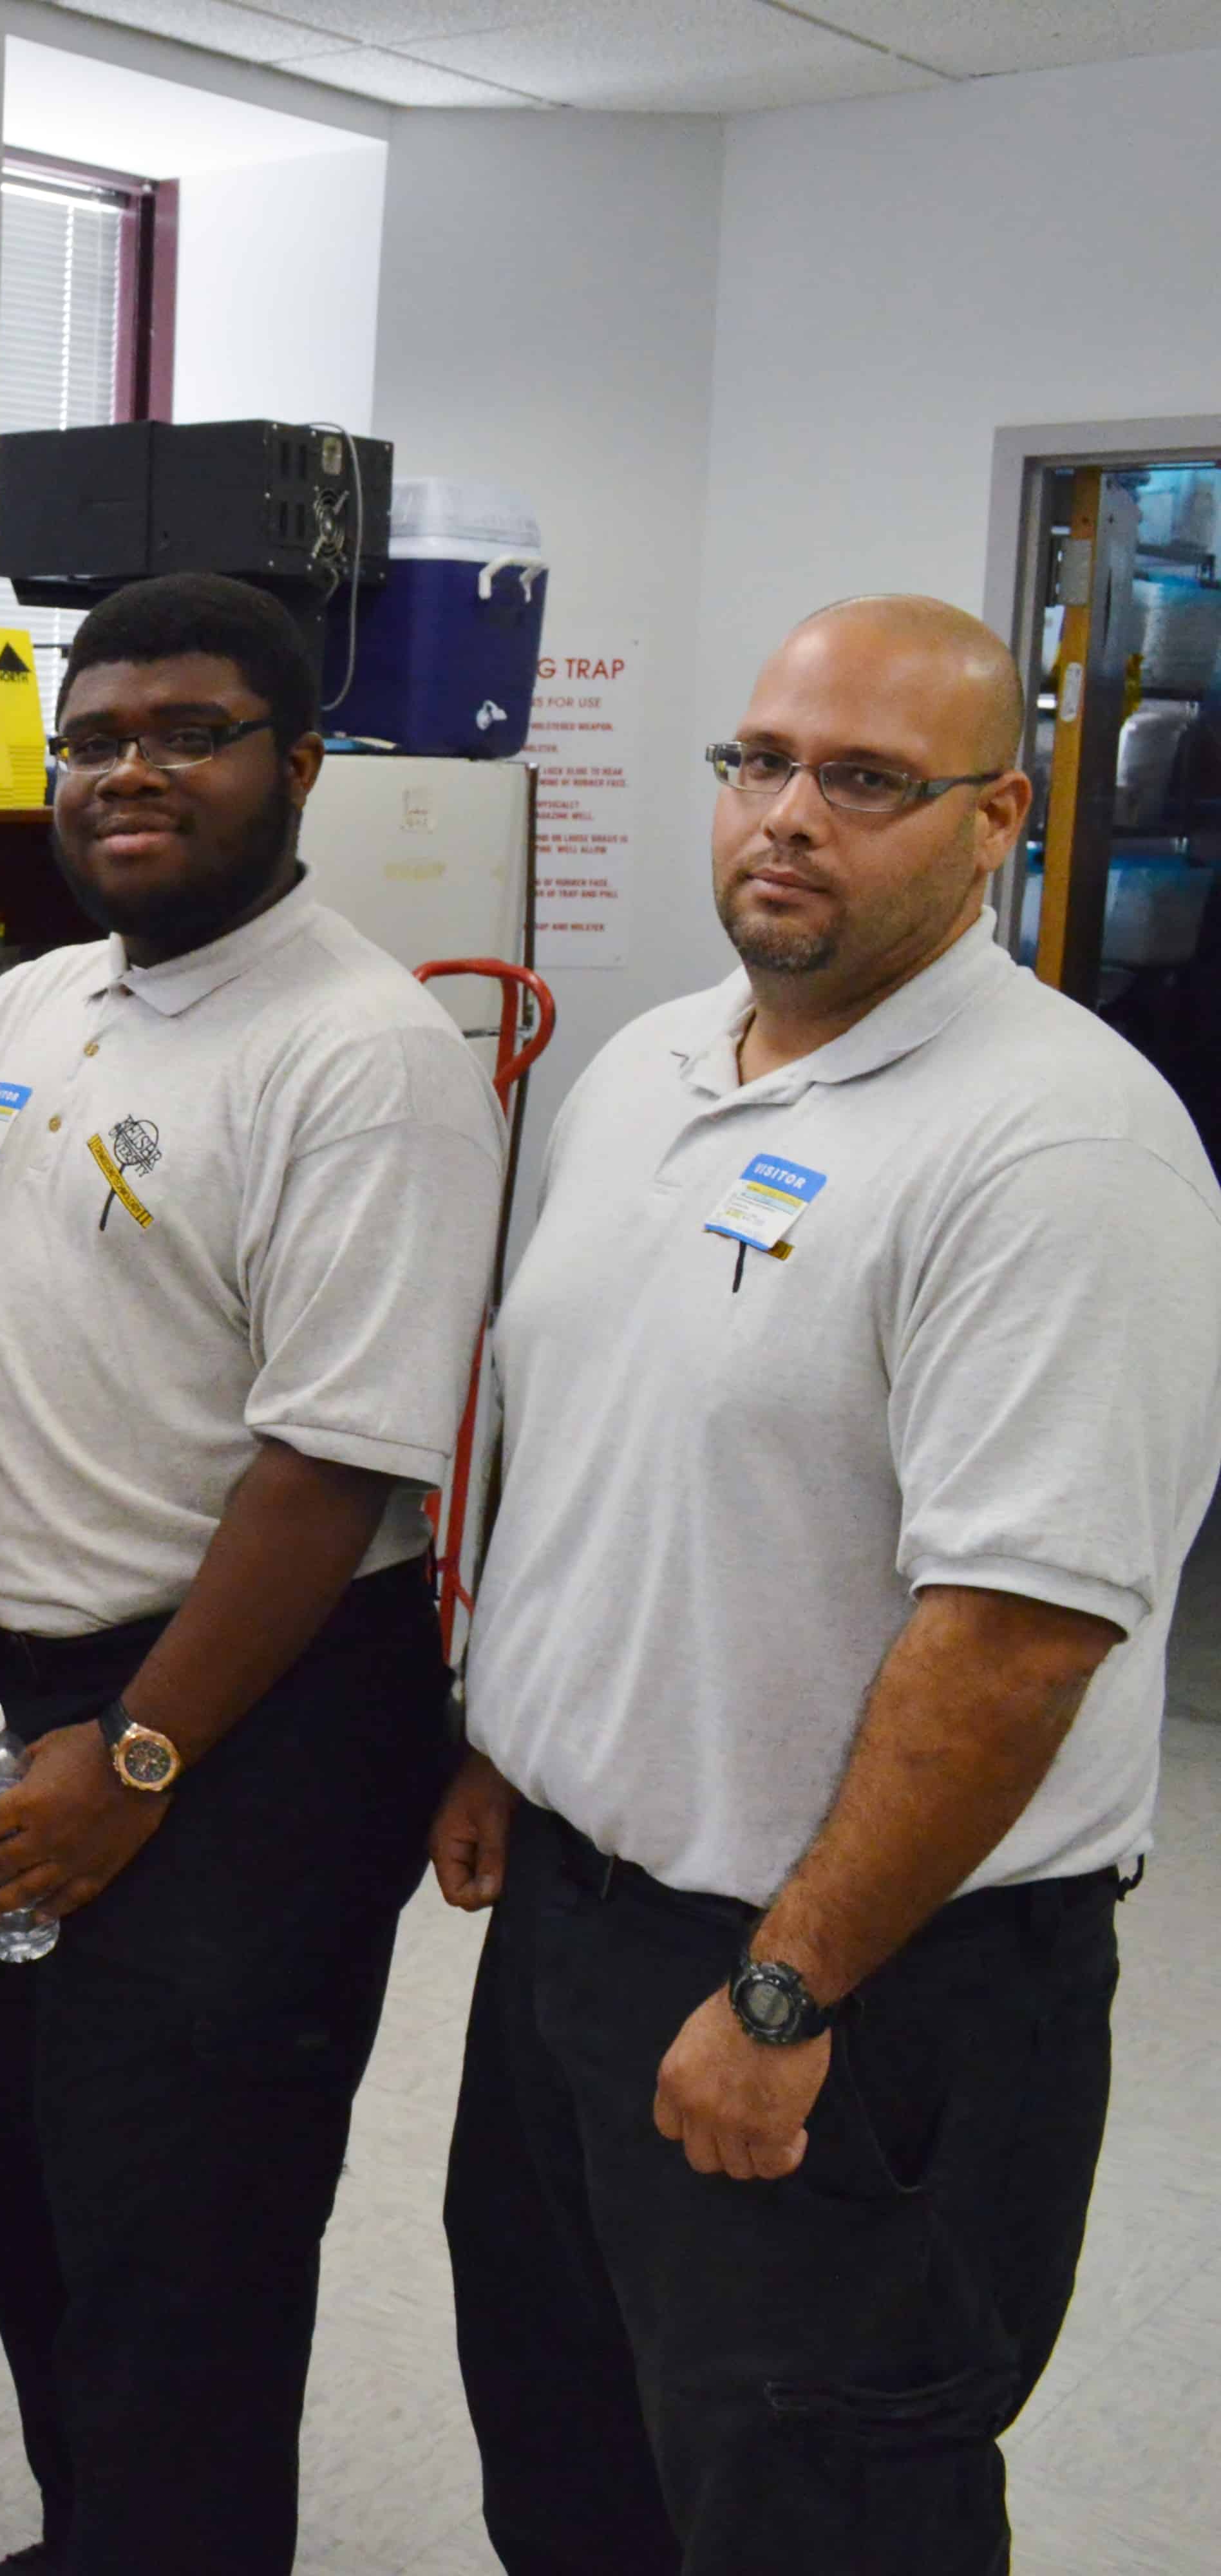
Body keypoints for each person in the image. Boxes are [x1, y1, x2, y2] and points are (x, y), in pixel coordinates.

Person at [430, 595, 1221, 2575]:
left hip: (860, 1983)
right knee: (578, 2456)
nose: (788, 816)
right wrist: (513, 1752)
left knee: (823, 2500)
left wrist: (785, 1989)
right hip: (581, 1940)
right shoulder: (653, 1065)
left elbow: (1020, 1641)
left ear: (996, 821)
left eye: (864, 780)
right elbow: (597, 1443)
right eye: (760, 762)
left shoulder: (1059, 1148)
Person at [0, 573, 506, 2576]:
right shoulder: (33, 1006)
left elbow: (332, 1467)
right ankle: (101, 2536)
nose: (130, 771)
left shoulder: (366, 1055)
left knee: (195, 2243)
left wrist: (143, 1758)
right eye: (93, 739)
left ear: (301, 765)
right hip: (19, 1686)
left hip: (242, 1718)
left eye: (188, 732)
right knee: (25, 2183)